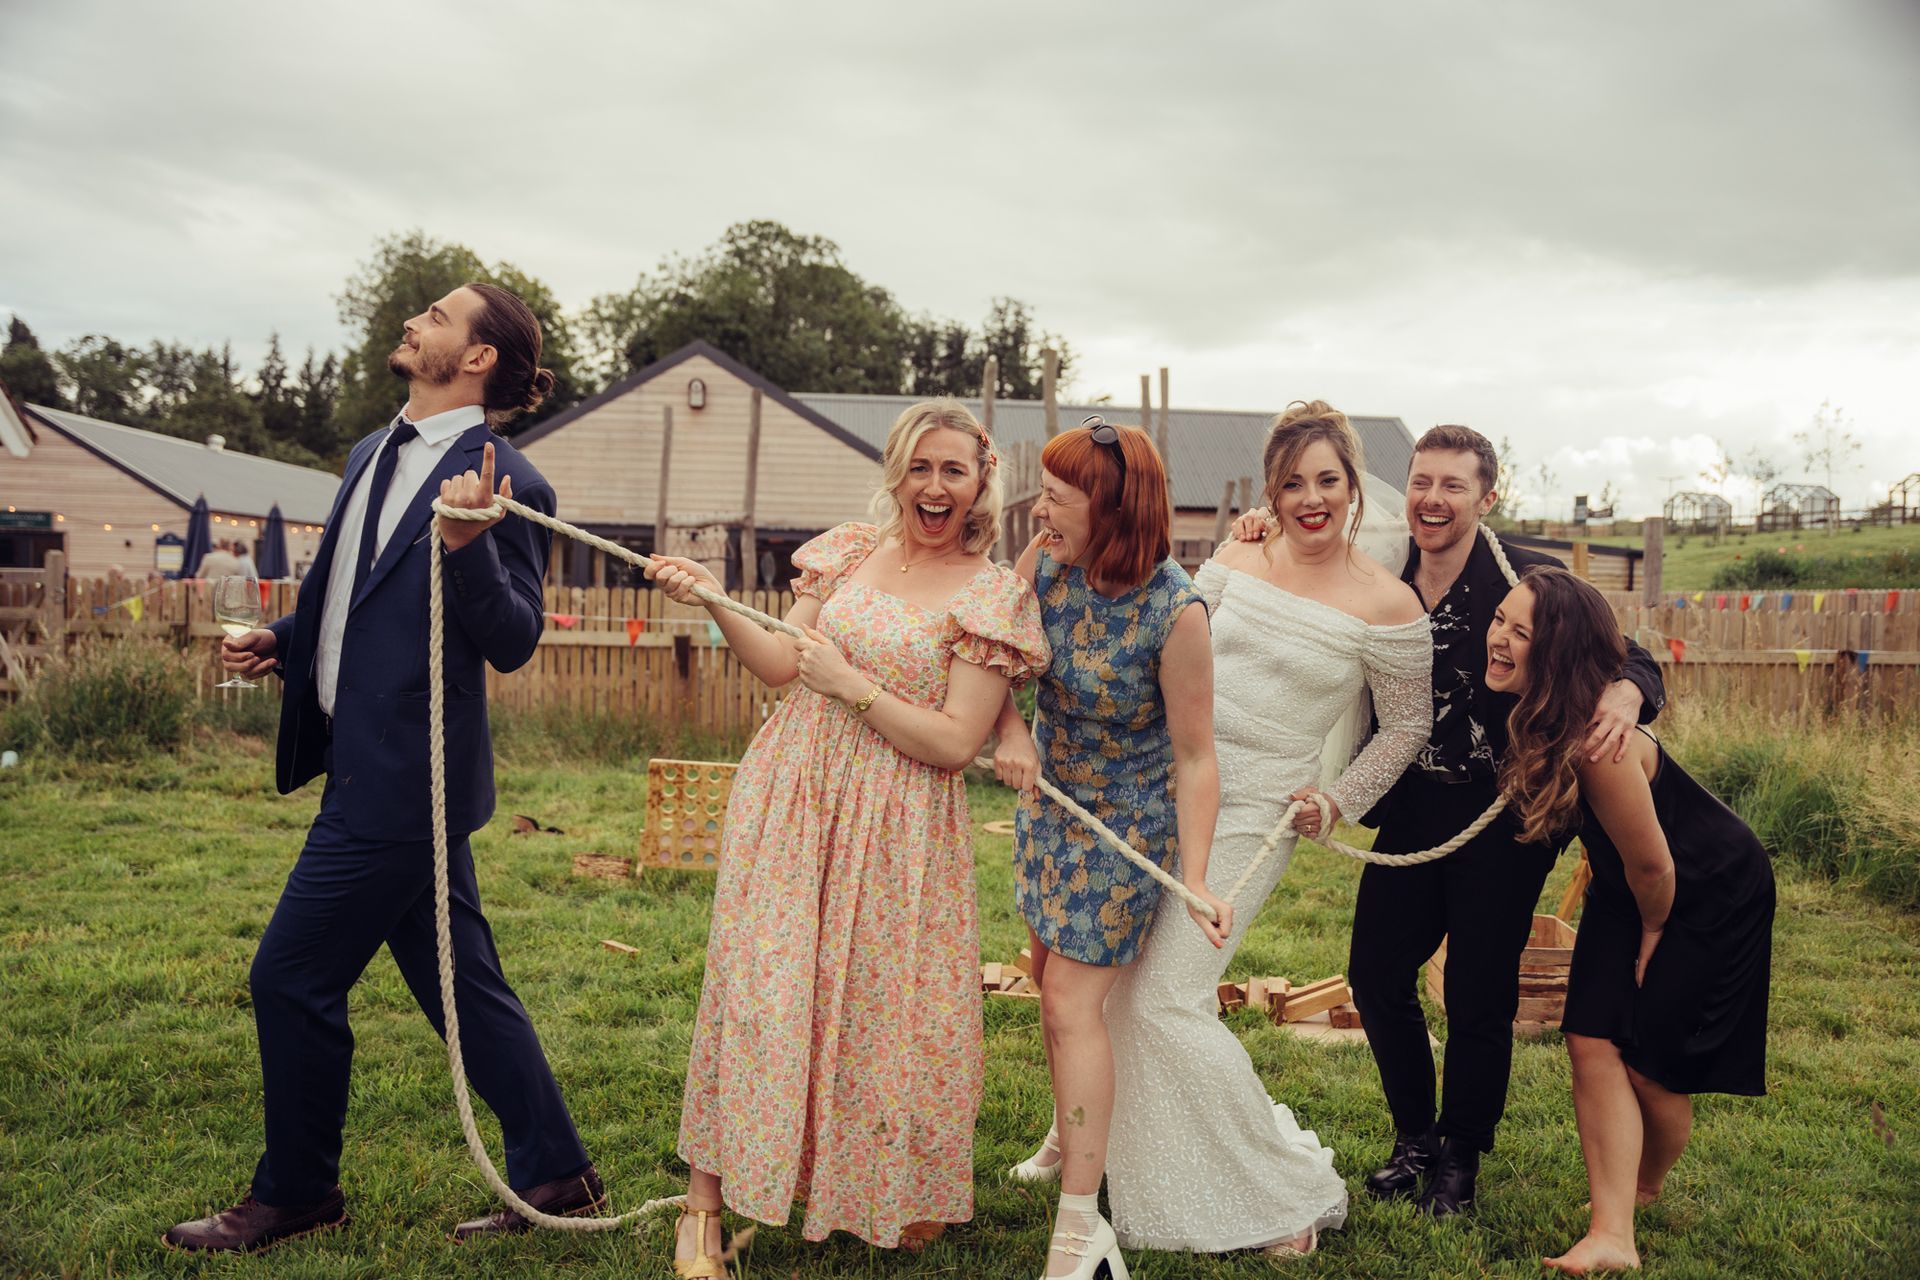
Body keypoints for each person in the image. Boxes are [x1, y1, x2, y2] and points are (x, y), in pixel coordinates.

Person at [169, 283, 601, 1252]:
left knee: (288, 976)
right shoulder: (372, 450)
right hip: (357, 759)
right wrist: (283, 636)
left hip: (407, 783)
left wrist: (465, 546)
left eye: (440, 317)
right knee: (463, 984)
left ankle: (297, 1190)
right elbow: (347, 589)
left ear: (480, 357)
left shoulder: (509, 476)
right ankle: (558, 1170)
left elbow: (515, 637)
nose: (417, 322)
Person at [648, 400, 1047, 1276]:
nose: (934, 487)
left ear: (981, 482)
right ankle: (703, 1204)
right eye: (919, 468)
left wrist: (851, 686)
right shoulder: (851, 555)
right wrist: (714, 601)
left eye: (954, 470)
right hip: (794, 790)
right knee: (759, 988)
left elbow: (952, 744)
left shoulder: (992, 595)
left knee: (877, 1012)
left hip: (899, 821)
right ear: (896, 475)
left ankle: (873, 1184)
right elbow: (787, 665)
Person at [1239, 424, 1667, 1216]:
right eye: (1423, 482)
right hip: (1414, 802)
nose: (1434, 500)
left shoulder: (1521, 579)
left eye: (1454, 486)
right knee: (1374, 973)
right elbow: (1298, 560)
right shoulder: (1380, 569)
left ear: (1486, 497)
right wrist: (1256, 530)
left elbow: (1630, 653)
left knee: (1477, 992)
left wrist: (1628, 692)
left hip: (1506, 814)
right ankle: (1414, 1140)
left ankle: (1461, 1156)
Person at [1094, 401, 1433, 1262]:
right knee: (1115, 987)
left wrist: (1338, 798)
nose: (1310, 499)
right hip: (1159, 784)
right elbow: (1174, 644)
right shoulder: (1237, 555)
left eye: (1327, 481)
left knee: (1167, 995)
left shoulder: (1390, 604)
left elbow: (1404, 728)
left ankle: (1273, 1194)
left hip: (1257, 809)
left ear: (1354, 486)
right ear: (1271, 493)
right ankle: (1109, 1154)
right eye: (1292, 484)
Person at [1485, 568, 1773, 1275]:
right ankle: (1612, 1234)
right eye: (1500, 619)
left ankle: (1645, 1184)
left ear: (1554, 653)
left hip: (1703, 888)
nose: (1499, 638)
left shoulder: (1597, 744)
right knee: (1589, 1040)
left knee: (1652, 1066)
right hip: (1631, 885)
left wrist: (1651, 938)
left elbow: (1656, 869)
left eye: (1522, 633)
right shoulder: (1540, 709)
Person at [989, 418, 1225, 1280]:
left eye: (1059, 494)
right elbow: (995, 670)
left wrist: (1194, 877)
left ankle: (1083, 1225)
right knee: (1044, 974)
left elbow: (1198, 758)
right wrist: (1011, 729)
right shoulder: (1041, 568)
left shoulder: (1176, 610)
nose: (1040, 507)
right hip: (1049, 808)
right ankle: (1065, 1130)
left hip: (1125, 828)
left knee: (1068, 1006)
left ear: (1115, 508)